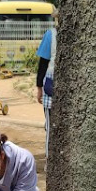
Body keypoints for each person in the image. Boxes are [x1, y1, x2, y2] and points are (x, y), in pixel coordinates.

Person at [36, 11, 57, 158]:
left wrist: (39, 88)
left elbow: (42, 64)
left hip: (51, 84)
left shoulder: (51, 34)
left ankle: (50, 159)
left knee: (51, 127)